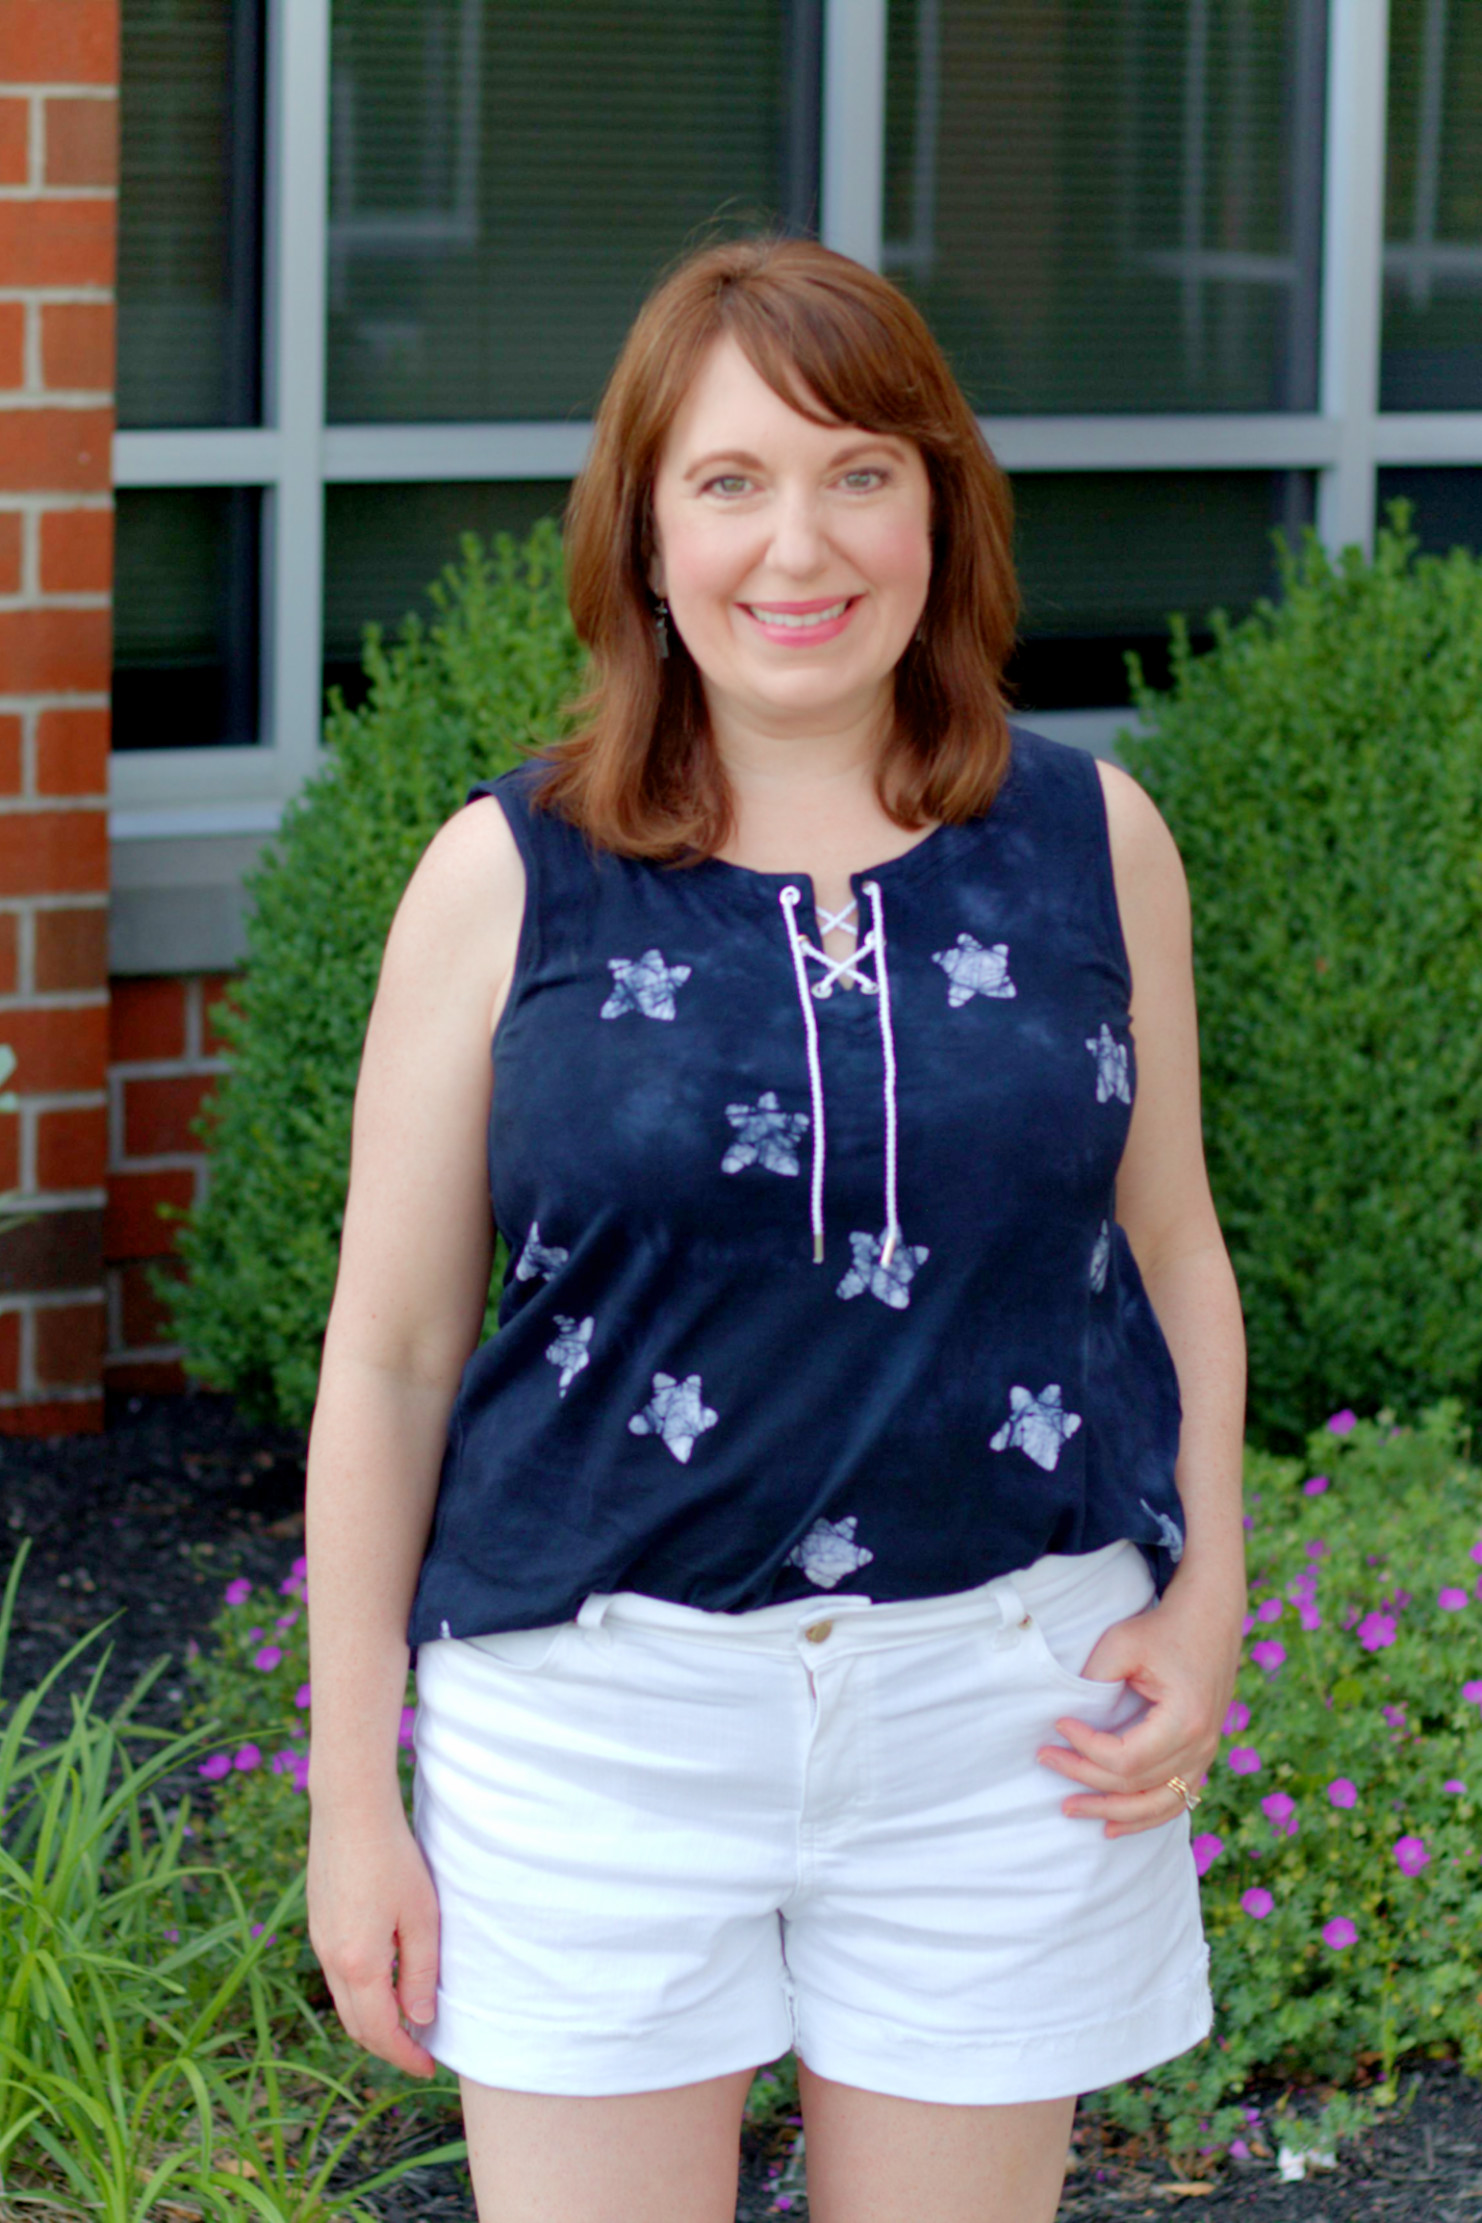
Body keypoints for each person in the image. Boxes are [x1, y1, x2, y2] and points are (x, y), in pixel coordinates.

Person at [304, 235, 1247, 2223]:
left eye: (860, 471)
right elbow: (387, 1355)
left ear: (939, 509)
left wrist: (1210, 1581)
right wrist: (348, 1797)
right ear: (645, 535)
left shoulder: (1099, 842)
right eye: (729, 480)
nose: (796, 541)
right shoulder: (502, 875)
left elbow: (1172, 1250)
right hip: (593, 1723)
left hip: (1012, 1713)